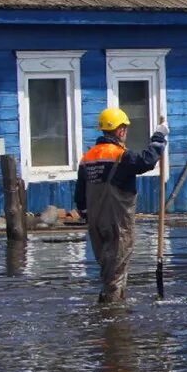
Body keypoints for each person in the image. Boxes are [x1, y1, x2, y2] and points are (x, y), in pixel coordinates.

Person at [75, 108, 167, 303]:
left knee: (108, 270)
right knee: (116, 273)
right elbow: (146, 161)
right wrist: (159, 138)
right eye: (124, 128)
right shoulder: (119, 155)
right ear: (120, 131)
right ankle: (113, 320)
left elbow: (80, 196)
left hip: (95, 224)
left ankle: (109, 309)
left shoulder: (87, 158)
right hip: (118, 223)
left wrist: (86, 215)